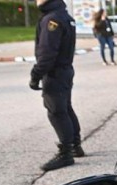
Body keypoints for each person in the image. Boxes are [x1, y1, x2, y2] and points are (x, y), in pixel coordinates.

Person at [29, 0, 85, 171]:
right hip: (65, 70)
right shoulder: (64, 16)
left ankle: (66, 153)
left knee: (57, 112)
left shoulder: (52, 20)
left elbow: (47, 55)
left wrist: (35, 75)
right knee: (65, 108)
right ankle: (75, 146)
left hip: (55, 73)